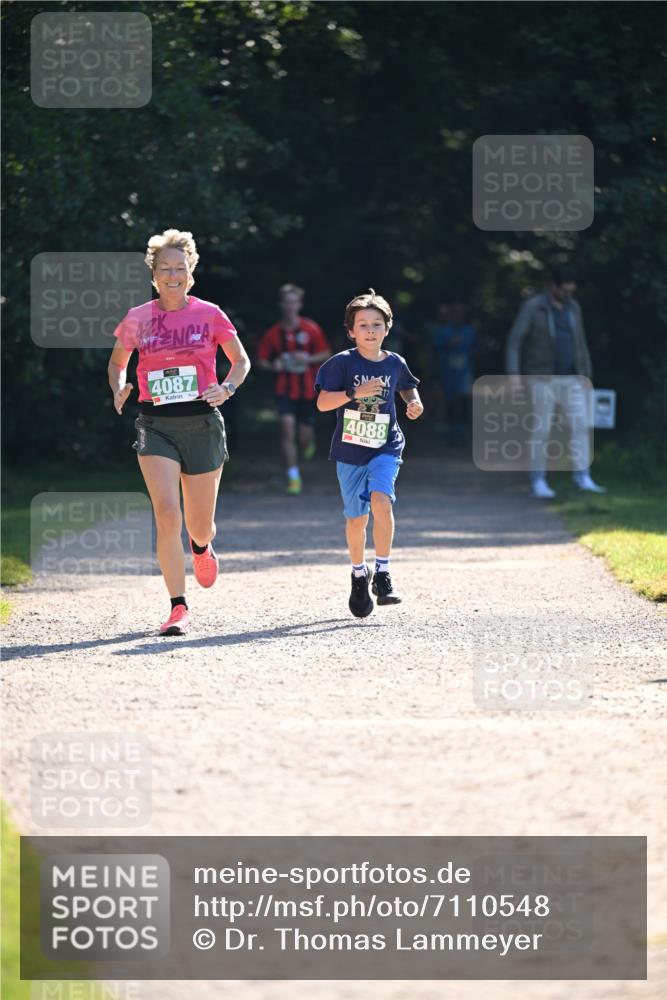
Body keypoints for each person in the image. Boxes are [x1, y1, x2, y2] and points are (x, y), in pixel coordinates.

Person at [108, 228, 251, 636]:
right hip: (155, 425)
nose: (173, 275)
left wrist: (227, 387)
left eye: (180, 268)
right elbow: (117, 363)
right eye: (165, 268)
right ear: (154, 275)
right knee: (168, 514)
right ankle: (177, 606)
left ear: (191, 272)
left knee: (198, 525)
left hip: (202, 423)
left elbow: (241, 361)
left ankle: (201, 546)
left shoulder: (210, 314)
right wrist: (119, 387)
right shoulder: (138, 317)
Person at [315, 288, 424, 618]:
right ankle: (359, 574)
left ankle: (384, 572)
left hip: (385, 445)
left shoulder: (395, 362)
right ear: (351, 331)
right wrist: (354, 392)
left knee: (381, 501)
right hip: (350, 451)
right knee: (356, 520)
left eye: (377, 324)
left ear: (387, 328)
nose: (370, 330)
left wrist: (414, 403)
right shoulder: (341, 363)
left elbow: (407, 386)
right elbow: (322, 403)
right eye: (362, 325)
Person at [505, 265, 605, 498]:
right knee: (542, 429)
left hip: (572, 377)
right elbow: (514, 342)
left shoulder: (574, 308)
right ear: (553, 286)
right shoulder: (533, 307)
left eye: (571, 291)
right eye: (564, 291)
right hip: (541, 378)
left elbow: (580, 342)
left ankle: (583, 476)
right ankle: (538, 480)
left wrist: (586, 374)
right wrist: (514, 375)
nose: (568, 295)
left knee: (580, 425)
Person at [256, 284, 331, 494]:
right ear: (281, 305)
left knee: (304, 436)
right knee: (286, 429)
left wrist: (308, 358)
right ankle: (293, 476)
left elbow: (326, 353)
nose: (290, 306)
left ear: (299, 304)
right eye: (287, 302)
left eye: (294, 302)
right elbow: (260, 360)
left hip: (308, 391)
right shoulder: (273, 333)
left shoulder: (310, 329)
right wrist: (274, 365)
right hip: (284, 391)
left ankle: (308, 444)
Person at [433, 300, 477, 445]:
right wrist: (448, 344)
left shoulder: (469, 331)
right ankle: (451, 431)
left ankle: (461, 431)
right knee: (450, 401)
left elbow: (475, 348)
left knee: (464, 400)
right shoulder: (444, 331)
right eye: (455, 313)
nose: (458, 316)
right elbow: (436, 348)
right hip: (448, 371)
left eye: (460, 313)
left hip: (464, 371)